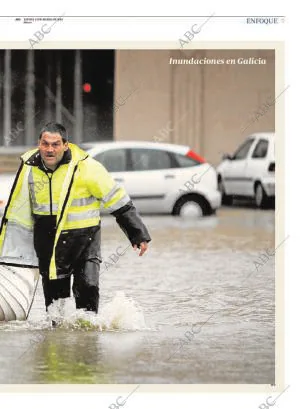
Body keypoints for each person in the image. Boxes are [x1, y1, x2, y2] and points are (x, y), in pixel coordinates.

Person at [0, 122, 151, 316]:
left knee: (87, 292)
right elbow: (18, 207)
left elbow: (117, 199)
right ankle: (57, 342)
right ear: (39, 144)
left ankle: (87, 342)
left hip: (84, 240)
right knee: (56, 307)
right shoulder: (29, 167)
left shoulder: (86, 167)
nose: (49, 149)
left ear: (66, 145)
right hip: (48, 242)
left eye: (55, 144)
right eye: (45, 144)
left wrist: (137, 234)